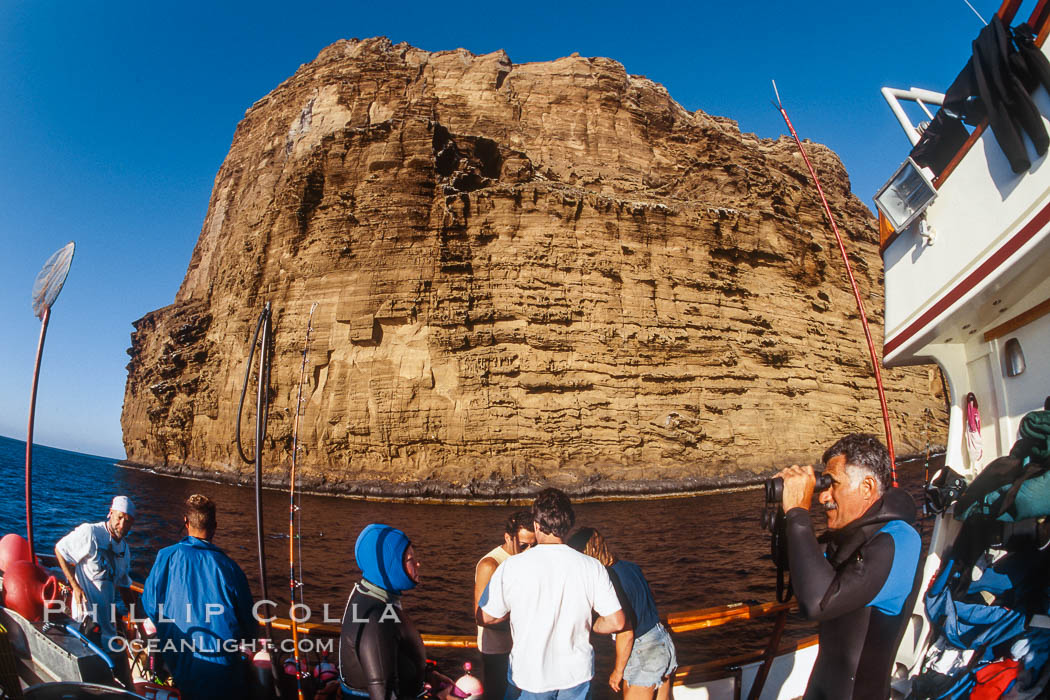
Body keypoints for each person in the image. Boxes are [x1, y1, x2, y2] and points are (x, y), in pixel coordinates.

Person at [775, 433, 922, 700]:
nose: (823, 497)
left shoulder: (900, 540)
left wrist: (798, 513)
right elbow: (804, 572)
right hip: (820, 689)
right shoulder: (849, 536)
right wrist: (785, 518)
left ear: (867, 487)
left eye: (833, 484)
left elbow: (817, 602)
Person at [477, 488, 625, 700]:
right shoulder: (592, 566)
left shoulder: (512, 567)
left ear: (536, 526)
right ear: (568, 525)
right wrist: (588, 624)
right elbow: (616, 621)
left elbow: (485, 617)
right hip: (577, 676)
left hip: (529, 677)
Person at [140, 494, 257, 700]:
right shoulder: (230, 568)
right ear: (215, 526)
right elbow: (248, 624)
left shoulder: (165, 557)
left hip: (179, 664)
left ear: (185, 522)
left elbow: (150, 605)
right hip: (223, 672)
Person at [339, 523, 451, 700]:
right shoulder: (376, 620)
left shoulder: (369, 597)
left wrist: (429, 674)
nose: (418, 563)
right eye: (410, 559)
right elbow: (382, 693)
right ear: (390, 565)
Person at [567, 528, 676, 700]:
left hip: (643, 652)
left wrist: (617, 672)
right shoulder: (631, 567)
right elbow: (650, 598)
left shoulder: (607, 580)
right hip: (662, 642)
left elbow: (626, 631)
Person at [54, 494, 137, 680]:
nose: (122, 524)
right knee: (89, 670)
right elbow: (60, 550)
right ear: (110, 513)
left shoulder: (125, 549)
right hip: (87, 620)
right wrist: (75, 586)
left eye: (128, 521)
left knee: (112, 668)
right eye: (119, 517)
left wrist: (134, 616)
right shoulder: (90, 533)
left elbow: (124, 584)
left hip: (108, 624)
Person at [473, 509, 537, 700]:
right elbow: (480, 616)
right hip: (498, 652)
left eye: (534, 546)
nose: (529, 552)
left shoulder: (529, 560)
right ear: (509, 538)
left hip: (522, 649)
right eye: (524, 545)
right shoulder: (490, 565)